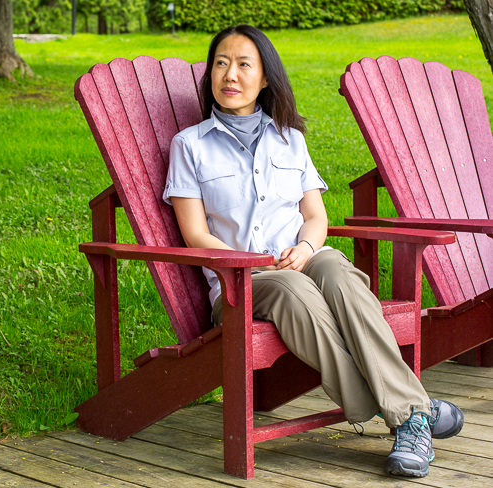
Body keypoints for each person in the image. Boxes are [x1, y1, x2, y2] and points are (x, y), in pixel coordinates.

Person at [162, 24, 464, 478]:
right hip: (241, 280)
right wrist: (253, 264)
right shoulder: (190, 146)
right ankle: (410, 411)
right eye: (221, 63)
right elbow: (195, 234)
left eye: (244, 64)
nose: (230, 74)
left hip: (301, 255)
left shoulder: (290, 140)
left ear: (265, 78)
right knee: (290, 287)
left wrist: (305, 248)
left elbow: (316, 218)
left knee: (340, 275)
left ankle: (406, 412)